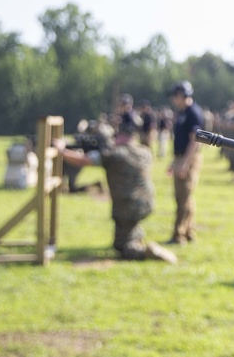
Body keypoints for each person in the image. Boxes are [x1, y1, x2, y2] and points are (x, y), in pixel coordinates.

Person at [55, 119, 176, 263]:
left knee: (122, 248)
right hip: (146, 202)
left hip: (127, 206)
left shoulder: (114, 155)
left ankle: (146, 251)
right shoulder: (144, 152)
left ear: (122, 136)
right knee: (126, 231)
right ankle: (136, 239)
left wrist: (62, 150)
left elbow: (83, 160)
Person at [167, 80, 204, 245]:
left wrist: (185, 162)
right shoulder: (183, 112)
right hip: (181, 157)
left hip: (189, 157)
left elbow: (195, 141)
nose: (174, 99)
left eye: (175, 95)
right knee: (185, 196)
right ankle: (189, 231)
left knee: (183, 196)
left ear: (182, 95)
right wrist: (175, 161)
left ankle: (179, 234)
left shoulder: (193, 113)